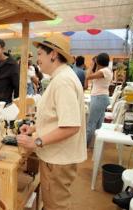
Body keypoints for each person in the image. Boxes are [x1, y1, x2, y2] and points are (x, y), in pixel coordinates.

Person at [16, 35, 87, 210]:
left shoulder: (63, 81)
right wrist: (33, 127)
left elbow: (70, 126)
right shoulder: (62, 77)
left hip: (58, 159)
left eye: (40, 54)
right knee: (52, 202)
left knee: (55, 205)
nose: (38, 59)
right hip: (57, 157)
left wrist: (35, 141)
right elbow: (56, 117)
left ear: (53, 54)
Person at [85, 53, 113, 147]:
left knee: (91, 123)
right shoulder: (105, 70)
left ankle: (84, 145)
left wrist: (92, 65)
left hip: (99, 97)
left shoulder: (104, 71)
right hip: (100, 97)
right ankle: (95, 144)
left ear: (98, 61)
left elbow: (88, 76)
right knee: (98, 124)